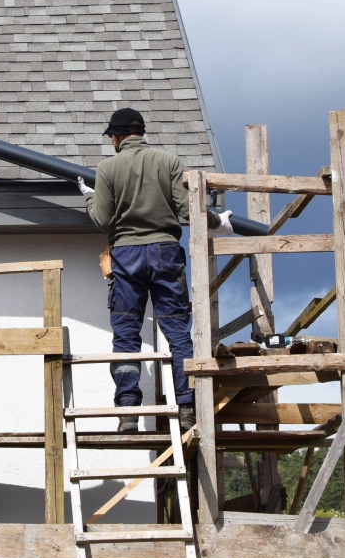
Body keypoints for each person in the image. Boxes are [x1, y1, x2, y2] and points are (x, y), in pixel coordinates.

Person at [78, 108, 232, 432]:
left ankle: (129, 414)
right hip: (164, 251)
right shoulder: (170, 163)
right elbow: (189, 209)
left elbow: (102, 220)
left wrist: (90, 199)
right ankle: (188, 408)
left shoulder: (108, 168)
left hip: (125, 255)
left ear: (117, 137)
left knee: (126, 337)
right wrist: (219, 222)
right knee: (178, 334)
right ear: (141, 133)